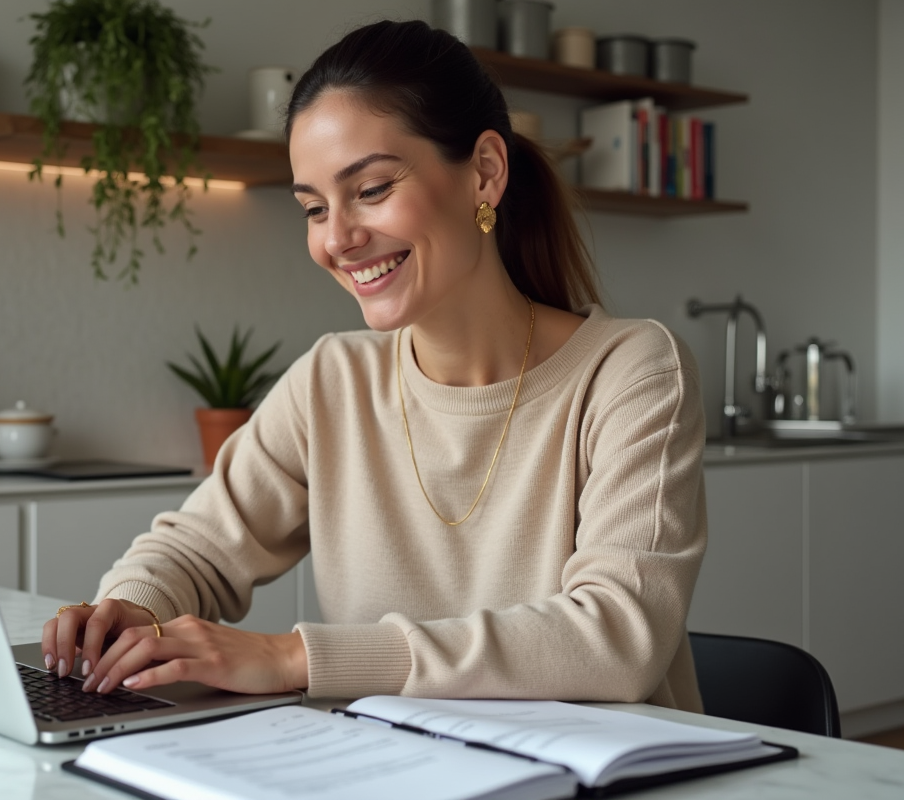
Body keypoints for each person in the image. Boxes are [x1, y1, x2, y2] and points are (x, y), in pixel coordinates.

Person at [42, 19, 707, 711]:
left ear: (484, 171)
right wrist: (126, 612)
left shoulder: (632, 371)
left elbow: (616, 640)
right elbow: (197, 549)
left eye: (372, 189)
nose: (338, 239)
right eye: (313, 207)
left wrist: (292, 656)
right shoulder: (333, 380)